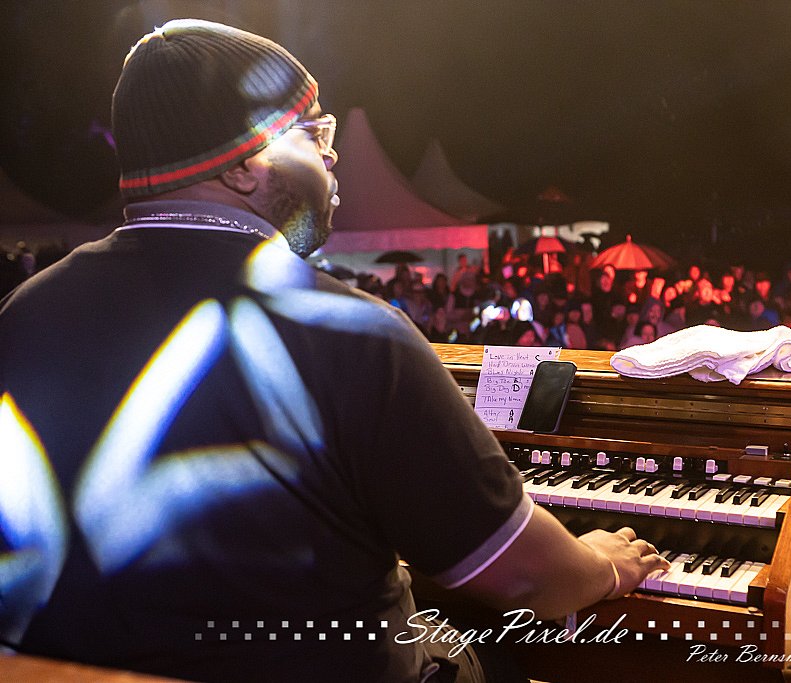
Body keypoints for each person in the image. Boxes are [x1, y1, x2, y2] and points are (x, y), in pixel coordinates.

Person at [0, 20, 667, 683]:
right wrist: (603, 564)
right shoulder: (354, 331)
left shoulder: (23, 314)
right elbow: (527, 578)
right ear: (243, 165)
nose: (333, 155)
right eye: (313, 133)